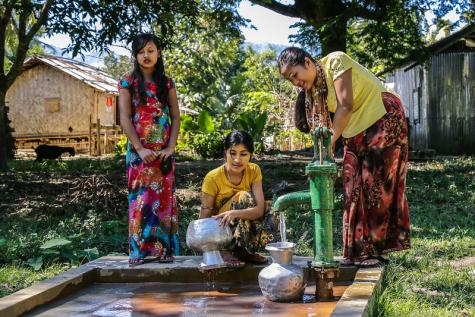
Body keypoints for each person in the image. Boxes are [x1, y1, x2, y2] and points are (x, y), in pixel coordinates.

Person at [278, 47, 410, 266]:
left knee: (374, 183)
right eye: (290, 80)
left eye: (295, 75)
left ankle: (375, 251)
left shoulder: (336, 62)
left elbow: (346, 104)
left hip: (383, 115)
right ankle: (356, 251)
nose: (295, 83)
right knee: (351, 183)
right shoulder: (315, 91)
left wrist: (329, 142)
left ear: (308, 62)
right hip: (355, 129)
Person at [118, 33, 180, 265]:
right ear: (135, 55)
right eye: (141, 51)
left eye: (151, 50)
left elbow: (175, 116)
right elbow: (124, 118)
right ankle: (140, 252)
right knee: (140, 201)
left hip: (164, 154)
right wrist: (140, 148)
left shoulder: (167, 82)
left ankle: (163, 251)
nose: (146, 55)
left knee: (163, 201)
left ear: (158, 53)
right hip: (138, 155)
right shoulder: (127, 82)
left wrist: (171, 147)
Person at [200, 130, 274, 267]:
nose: (237, 160)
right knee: (244, 196)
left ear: (251, 154)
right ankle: (225, 251)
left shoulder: (254, 170)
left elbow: (259, 209)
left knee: (271, 208)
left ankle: (246, 251)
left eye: (243, 154)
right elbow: (205, 216)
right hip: (220, 230)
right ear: (225, 153)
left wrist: (234, 213)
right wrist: (208, 250)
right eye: (233, 153)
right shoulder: (212, 178)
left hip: (239, 220)